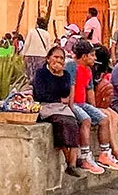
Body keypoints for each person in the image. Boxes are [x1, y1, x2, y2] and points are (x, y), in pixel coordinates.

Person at [67, 40, 118, 172]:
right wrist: (70, 108)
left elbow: (90, 90)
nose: (95, 58)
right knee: (86, 120)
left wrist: (94, 108)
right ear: (84, 56)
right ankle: (86, 156)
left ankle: (104, 154)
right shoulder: (71, 66)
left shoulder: (88, 69)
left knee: (104, 119)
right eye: (92, 55)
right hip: (73, 104)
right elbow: (71, 88)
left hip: (83, 103)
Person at [33, 45, 83, 178]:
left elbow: (65, 93)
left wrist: (59, 75)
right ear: (48, 58)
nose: (58, 60)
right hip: (46, 107)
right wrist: (58, 98)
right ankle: (69, 160)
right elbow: (40, 94)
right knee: (60, 123)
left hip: (60, 107)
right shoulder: (41, 73)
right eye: (55, 57)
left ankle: (72, 163)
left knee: (73, 123)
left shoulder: (65, 75)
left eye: (61, 58)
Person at [23, 18, 52, 84]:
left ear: (37, 24)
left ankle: (31, 87)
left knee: (30, 74)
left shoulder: (31, 32)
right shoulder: (46, 34)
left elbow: (27, 43)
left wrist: (23, 53)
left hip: (30, 55)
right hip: (42, 56)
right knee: (39, 74)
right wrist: (49, 57)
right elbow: (48, 47)